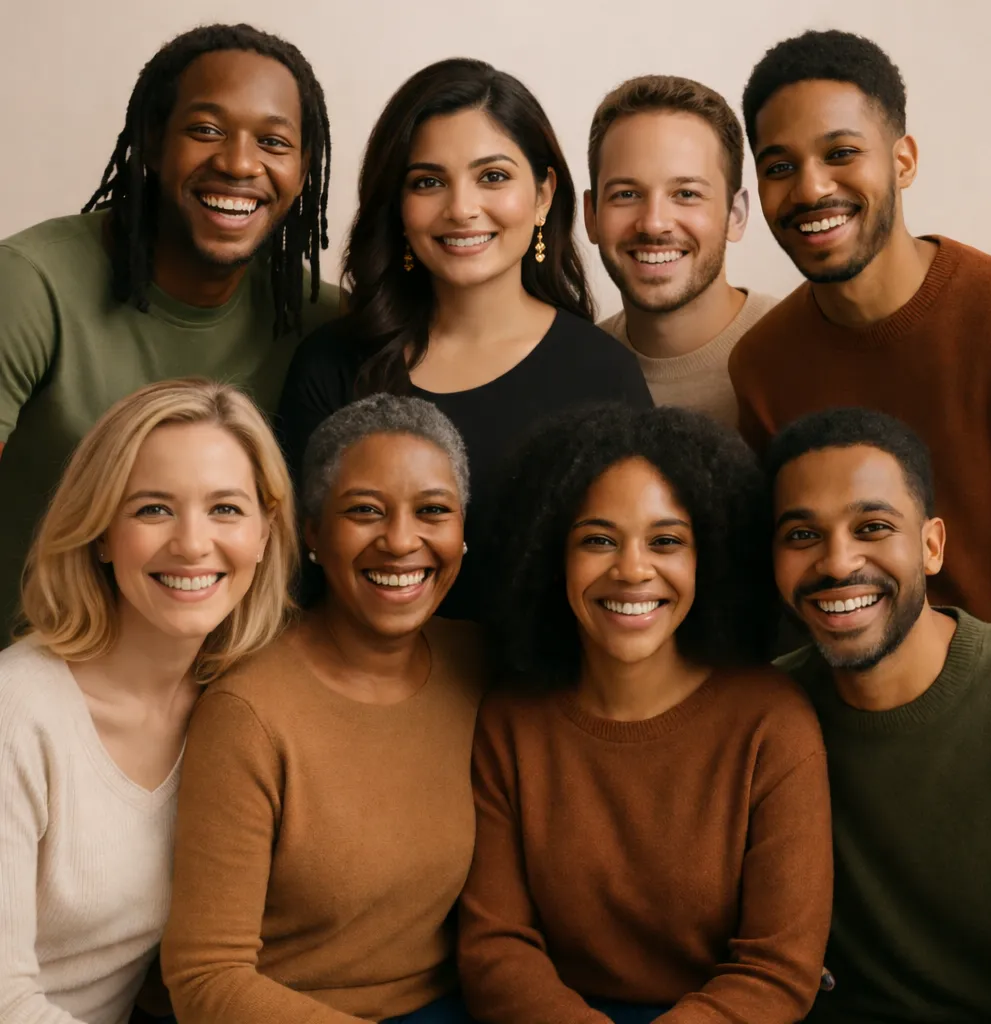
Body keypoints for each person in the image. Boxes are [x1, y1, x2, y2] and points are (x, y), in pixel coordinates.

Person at [458, 404, 832, 1024]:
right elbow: (495, 946)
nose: (632, 570)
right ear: (550, 555)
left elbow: (779, 969)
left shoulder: (772, 722)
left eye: (666, 542)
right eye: (598, 540)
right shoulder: (511, 721)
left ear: (708, 557)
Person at [277, 57, 651, 620]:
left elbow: (630, 574)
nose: (461, 209)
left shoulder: (603, 374)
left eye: (492, 177)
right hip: (354, 672)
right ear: (398, 205)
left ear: (543, 194)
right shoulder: (330, 363)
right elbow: (294, 576)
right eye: (428, 182)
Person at [0, 23, 339, 635]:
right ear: (153, 143)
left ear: (303, 167)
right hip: (29, 662)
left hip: (213, 674)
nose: (240, 163)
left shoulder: (318, 321)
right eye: (206, 130)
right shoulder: (29, 285)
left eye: (273, 142)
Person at [163, 395, 484, 1024]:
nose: (401, 540)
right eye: (365, 511)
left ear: (462, 531)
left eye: (433, 511)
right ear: (312, 532)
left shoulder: (479, 663)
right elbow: (205, 977)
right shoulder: (248, 712)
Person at [0, 378, 296, 1024]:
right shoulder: (16, 712)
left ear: (265, 533)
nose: (192, 543)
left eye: (225, 509)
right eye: (153, 509)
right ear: (101, 533)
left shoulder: (236, 709)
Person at [727, 28, 991, 630]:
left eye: (840, 153)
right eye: (780, 166)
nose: (810, 188)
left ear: (903, 161)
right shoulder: (763, 364)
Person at [768, 407, 991, 1024]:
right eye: (801, 535)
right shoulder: (765, 712)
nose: (837, 562)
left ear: (932, 546)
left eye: (874, 527)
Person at [584, 75, 776, 424]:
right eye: (626, 194)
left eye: (687, 194)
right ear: (591, 216)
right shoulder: (572, 369)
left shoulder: (803, 349)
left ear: (736, 215)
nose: (654, 223)